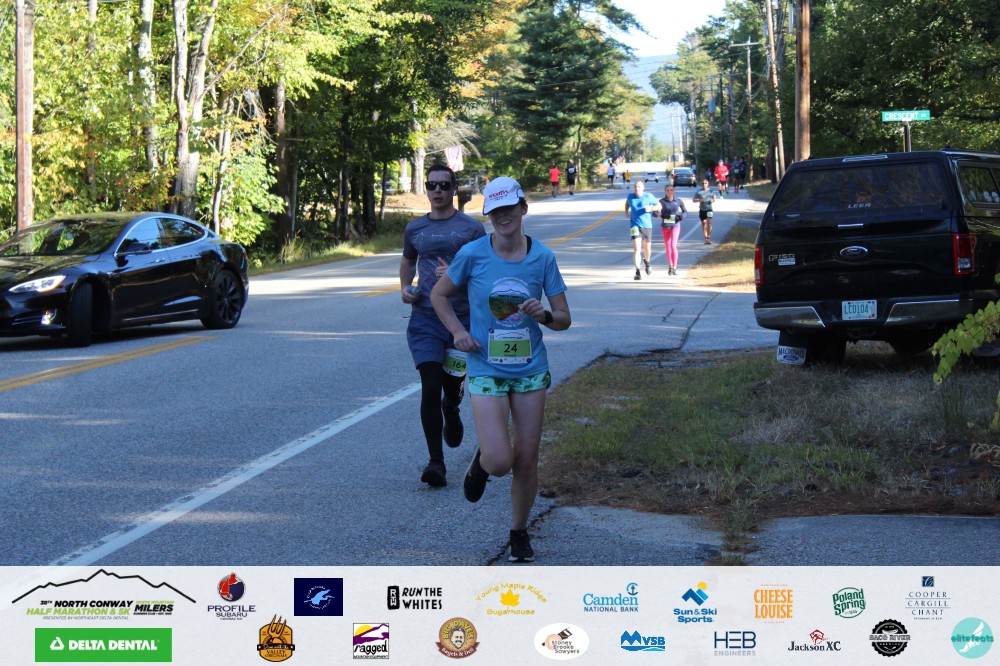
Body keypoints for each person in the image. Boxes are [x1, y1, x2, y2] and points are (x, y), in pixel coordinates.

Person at [430, 176, 571, 563]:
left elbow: (564, 318)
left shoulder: (542, 257)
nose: (503, 216)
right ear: (488, 215)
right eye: (495, 211)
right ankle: (483, 462)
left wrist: (544, 315)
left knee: (526, 458)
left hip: (530, 370)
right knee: (499, 461)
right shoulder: (473, 254)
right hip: (486, 366)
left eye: (509, 208)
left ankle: (519, 532)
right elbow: (439, 295)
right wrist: (458, 332)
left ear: (523, 208)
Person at [400, 163, 486, 488]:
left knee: (451, 387)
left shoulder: (472, 229)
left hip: (462, 320)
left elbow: (485, 269)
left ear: (454, 189)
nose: (437, 191)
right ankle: (436, 463)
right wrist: (405, 287)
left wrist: (456, 274)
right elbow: (408, 260)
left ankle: (452, 407)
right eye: (431, 185)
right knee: (430, 385)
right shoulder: (415, 229)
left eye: (443, 185)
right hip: (425, 318)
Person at [624, 179, 659, 280]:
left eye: (639, 187)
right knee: (637, 249)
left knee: (647, 248)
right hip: (634, 226)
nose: (637, 188)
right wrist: (626, 211)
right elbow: (627, 204)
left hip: (647, 226)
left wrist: (651, 209)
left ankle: (647, 262)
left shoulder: (648, 196)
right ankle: (637, 272)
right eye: (635, 187)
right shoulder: (630, 196)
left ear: (643, 188)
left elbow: (659, 205)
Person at [654, 184, 687, 276]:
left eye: (671, 190)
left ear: (674, 191)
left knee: (673, 245)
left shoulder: (678, 201)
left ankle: (675, 267)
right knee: (668, 246)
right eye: (667, 190)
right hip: (665, 226)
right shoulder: (661, 202)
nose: (669, 192)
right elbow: (654, 213)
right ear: (665, 191)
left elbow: (685, 211)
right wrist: (662, 216)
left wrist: (682, 216)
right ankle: (670, 265)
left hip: (675, 225)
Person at [692, 178, 717, 244]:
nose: (704, 184)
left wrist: (712, 200)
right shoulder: (699, 192)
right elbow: (693, 200)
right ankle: (705, 237)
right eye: (703, 183)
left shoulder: (711, 191)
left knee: (709, 222)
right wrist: (699, 200)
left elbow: (714, 197)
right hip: (702, 209)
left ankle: (708, 237)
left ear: (708, 184)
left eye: (705, 183)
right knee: (704, 222)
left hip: (709, 209)